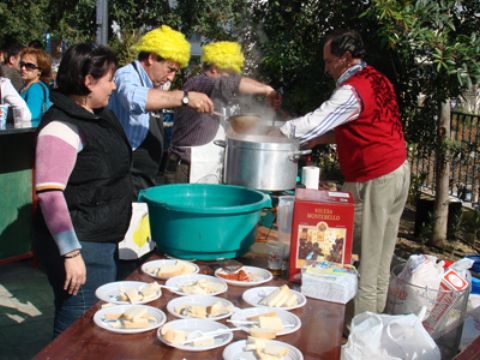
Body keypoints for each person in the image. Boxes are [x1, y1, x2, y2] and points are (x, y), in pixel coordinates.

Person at [280, 30, 410, 316]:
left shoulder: (352, 89)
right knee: (381, 260)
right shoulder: (377, 78)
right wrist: (323, 140)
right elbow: (366, 127)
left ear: (346, 57)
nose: (325, 68)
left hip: (377, 178)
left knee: (368, 261)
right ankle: (373, 325)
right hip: (397, 172)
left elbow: (314, 121)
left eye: (329, 61)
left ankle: (359, 332)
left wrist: (275, 132)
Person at [33, 43, 132, 337]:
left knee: (95, 318)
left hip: (99, 237)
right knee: (79, 324)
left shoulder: (97, 114)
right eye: (110, 79)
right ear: (88, 81)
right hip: (81, 244)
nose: (114, 87)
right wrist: (70, 253)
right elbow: (50, 194)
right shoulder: (61, 127)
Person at [109, 25, 213, 199]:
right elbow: (133, 98)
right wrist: (185, 98)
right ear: (152, 58)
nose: (172, 77)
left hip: (145, 179)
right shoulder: (126, 75)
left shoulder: (154, 83)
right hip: (124, 178)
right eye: (170, 69)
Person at [164, 41, 280, 184]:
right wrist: (267, 90)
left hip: (205, 169)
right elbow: (235, 84)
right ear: (214, 69)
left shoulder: (216, 95)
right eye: (230, 74)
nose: (232, 78)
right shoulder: (199, 83)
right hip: (185, 169)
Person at [19, 48, 52, 127]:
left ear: (40, 71)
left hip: (28, 135)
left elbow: (32, 115)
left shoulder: (36, 88)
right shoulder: (24, 87)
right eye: (21, 64)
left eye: (29, 66)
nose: (23, 68)